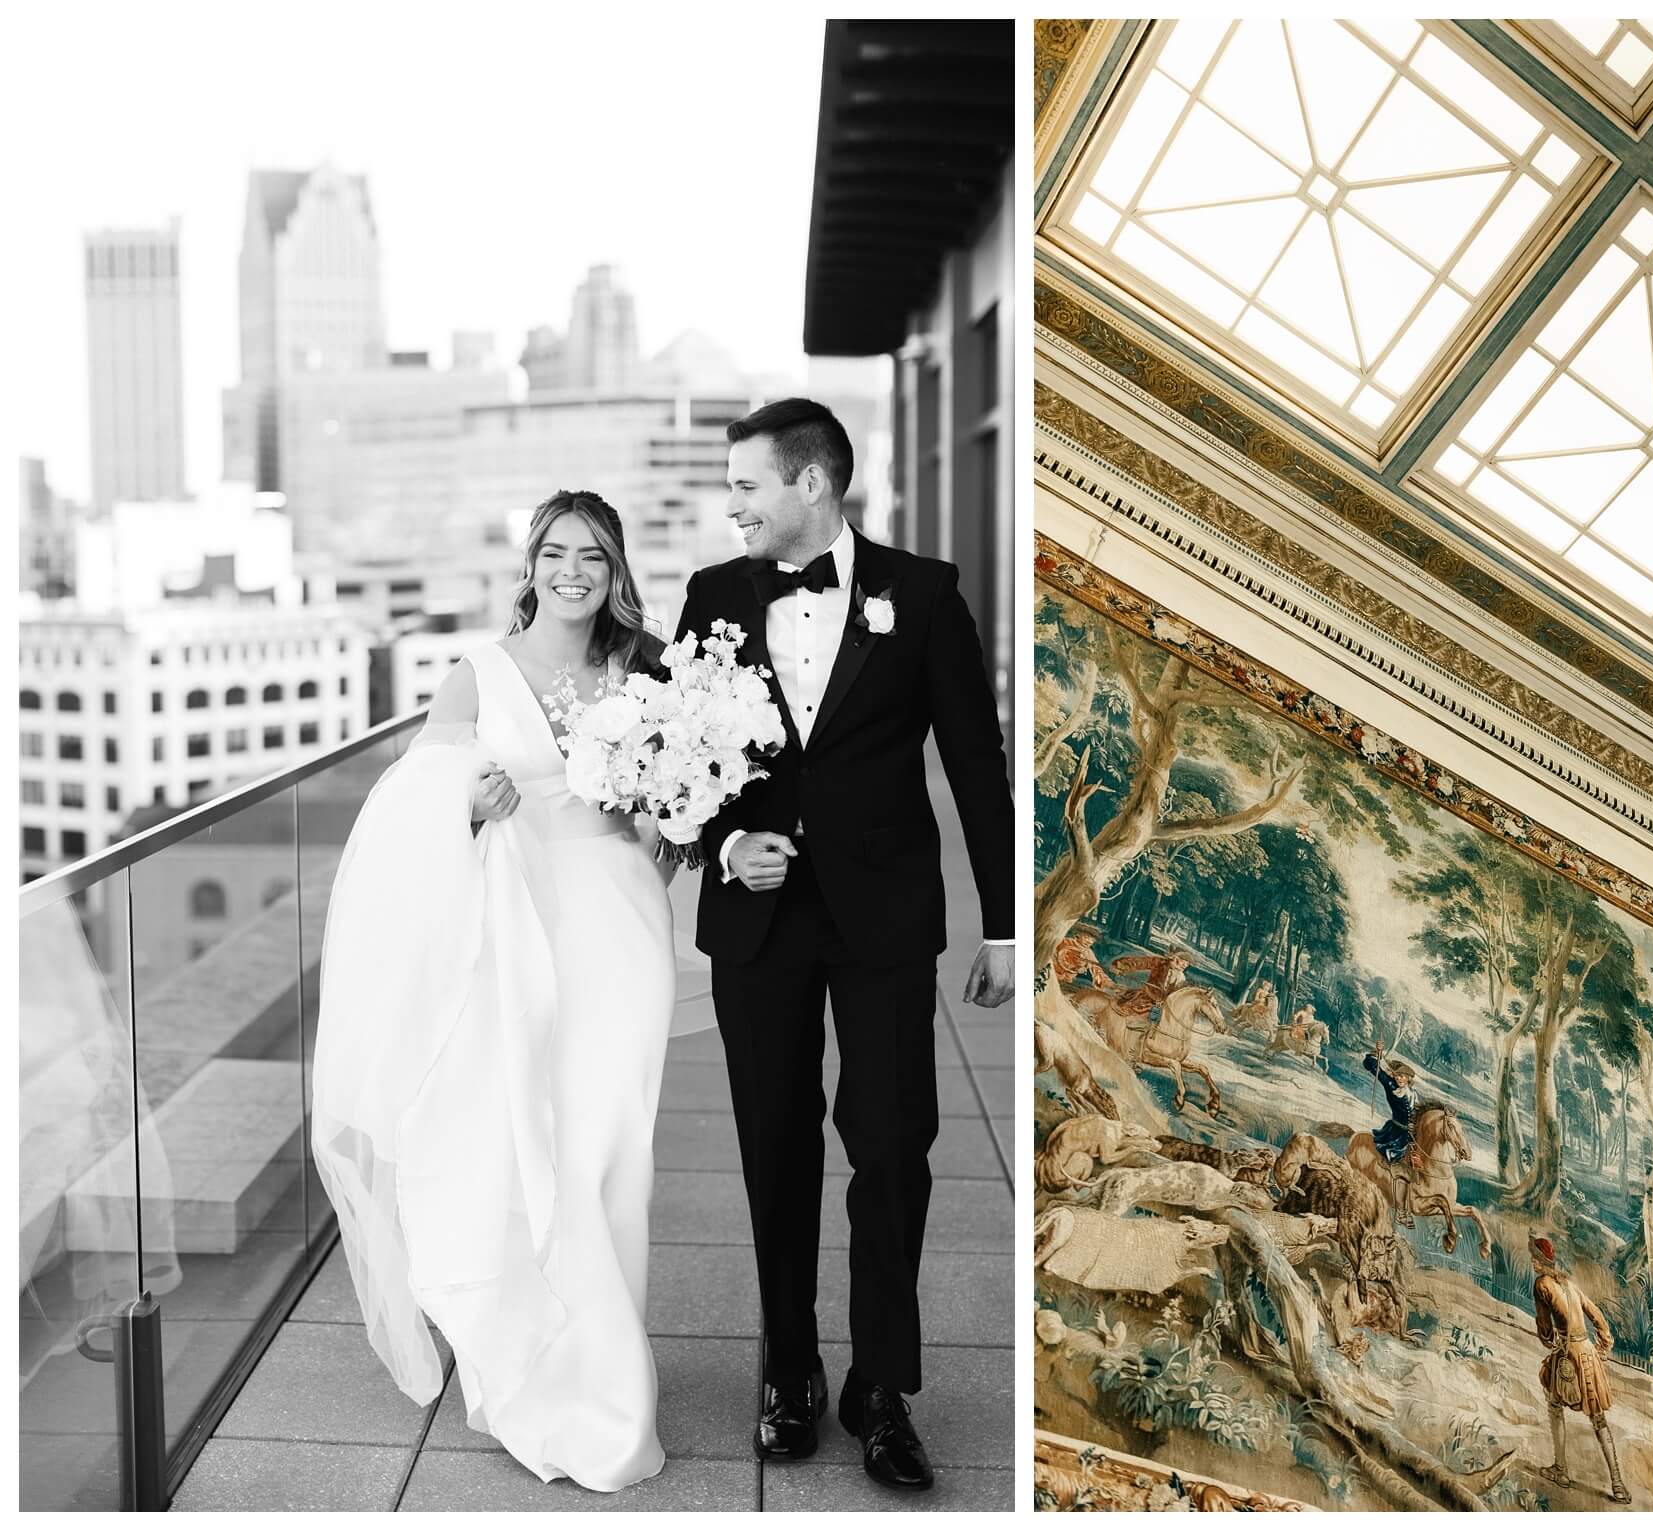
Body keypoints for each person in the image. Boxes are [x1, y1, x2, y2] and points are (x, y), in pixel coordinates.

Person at [310, 491, 683, 1492]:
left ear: (614, 571)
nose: (572, 570)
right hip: (519, 930)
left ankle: (611, 1359)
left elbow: (675, 815)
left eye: (592, 556)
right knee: (533, 1139)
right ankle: (554, 1366)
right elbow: (401, 816)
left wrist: (673, 830)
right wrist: (466, 807)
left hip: (622, 926)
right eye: (555, 552)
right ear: (531, 565)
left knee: (613, 1147)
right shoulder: (475, 674)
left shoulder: (650, 669)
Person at [674, 398, 1014, 1490]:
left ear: (809, 485)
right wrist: (729, 844)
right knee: (774, 1145)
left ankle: (882, 1388)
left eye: (745, 486)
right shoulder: (713, 596)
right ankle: (789, 1369)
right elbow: (676, 757)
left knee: (893, 1147)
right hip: (759, 918)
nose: (731, 504)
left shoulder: (924, 595)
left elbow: (974, 766)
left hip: (883, 919)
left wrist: (1005, 924)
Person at [1530, 1233, 1629, 1503]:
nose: (1532, 1262)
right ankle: (1618, 1484)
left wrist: (1550, 1342)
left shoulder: (1542, 1285)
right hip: (1588, 1353)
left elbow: (1545, 1328)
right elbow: (1597, 1316)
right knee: (1598, 1419)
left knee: (1554, 1405)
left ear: (1541, 1261)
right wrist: (1602, 1347)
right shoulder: (1570, 1284)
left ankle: (1561, 1470)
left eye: (1534, 1258)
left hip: (1568, 1355)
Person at [1362, 1047, 1419, 1164]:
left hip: (1412, 1133)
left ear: (1408, 1078)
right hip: (1396, 1133)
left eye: (1402, 1076)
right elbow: (1373, 1067)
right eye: (1397, 1075)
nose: (1399, 1078)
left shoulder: (1413, 1093)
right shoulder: (1391, 1085)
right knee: (1394, 1160)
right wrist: (1376, 1055)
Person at [1052, 923, 1115, 989]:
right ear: (1078, 934)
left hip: (1066, 981)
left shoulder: (1088, 953)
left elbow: (1097, 970)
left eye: (1092, 940)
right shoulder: (1064, 941)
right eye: (1086, 937)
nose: (1089, 942)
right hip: (1051, 973)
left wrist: (1111, 984)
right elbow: (1050, 952)